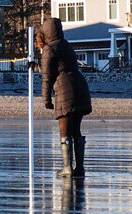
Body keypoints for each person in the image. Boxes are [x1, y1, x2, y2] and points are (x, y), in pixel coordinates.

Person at [39, 18, 92, 178]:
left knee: (64, 130)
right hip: (80, 85)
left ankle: (67, 167)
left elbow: (48, 76)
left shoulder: (49, 49)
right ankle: (79, 168)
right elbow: (60, 67)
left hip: (64, 89)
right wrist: (36, 67)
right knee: (76, 130)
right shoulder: (66, 45)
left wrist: (46, 99)